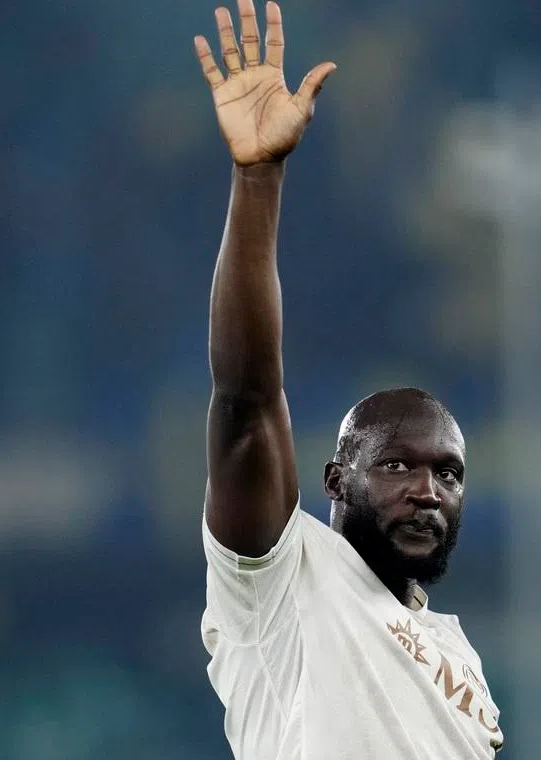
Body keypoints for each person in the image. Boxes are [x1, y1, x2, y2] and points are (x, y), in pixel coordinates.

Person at [194, 2, 504, 757]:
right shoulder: (281, 579)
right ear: (335, 479)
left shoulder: (463, 663)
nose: (427, 489)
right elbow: (246, 398)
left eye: (449, 474)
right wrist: (258, 177)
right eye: (397, 464)